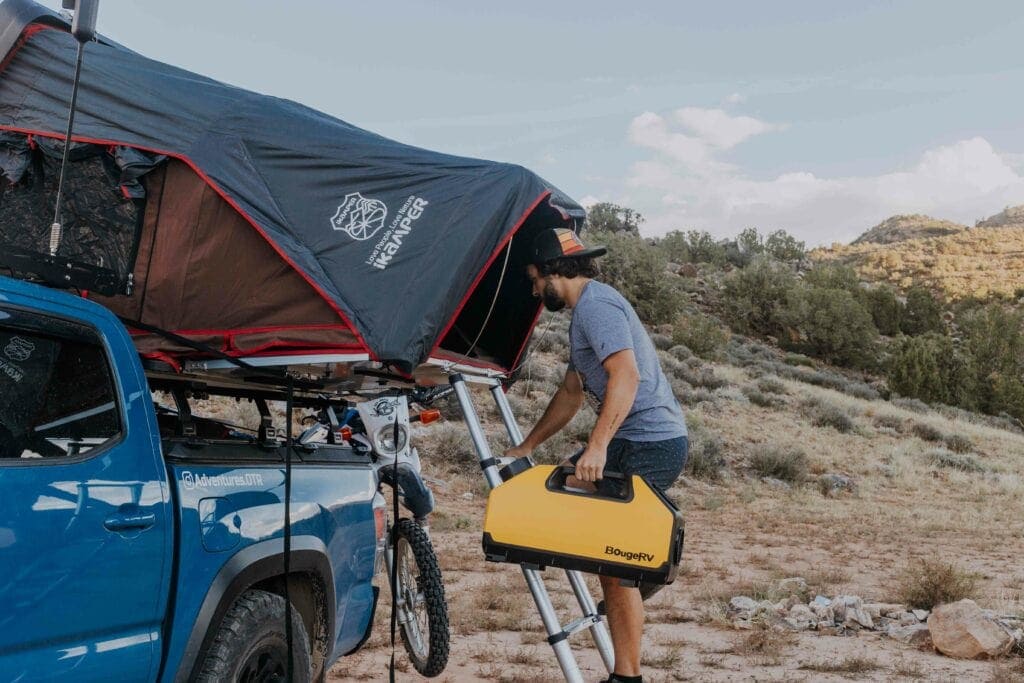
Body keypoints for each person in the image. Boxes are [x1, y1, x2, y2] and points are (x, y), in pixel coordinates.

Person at [505, 227, 688, 683]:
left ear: (552, 270)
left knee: (613, 557)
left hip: (648, 441)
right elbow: (570, 393)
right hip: (636, 439)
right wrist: (528, 446)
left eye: (533, 279)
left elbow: (625, 376)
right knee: (565, 488)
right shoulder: (584, 312)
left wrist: (599, 446)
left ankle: (627, 670)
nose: (533, 289)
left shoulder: (597, 306)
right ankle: (644, 560)